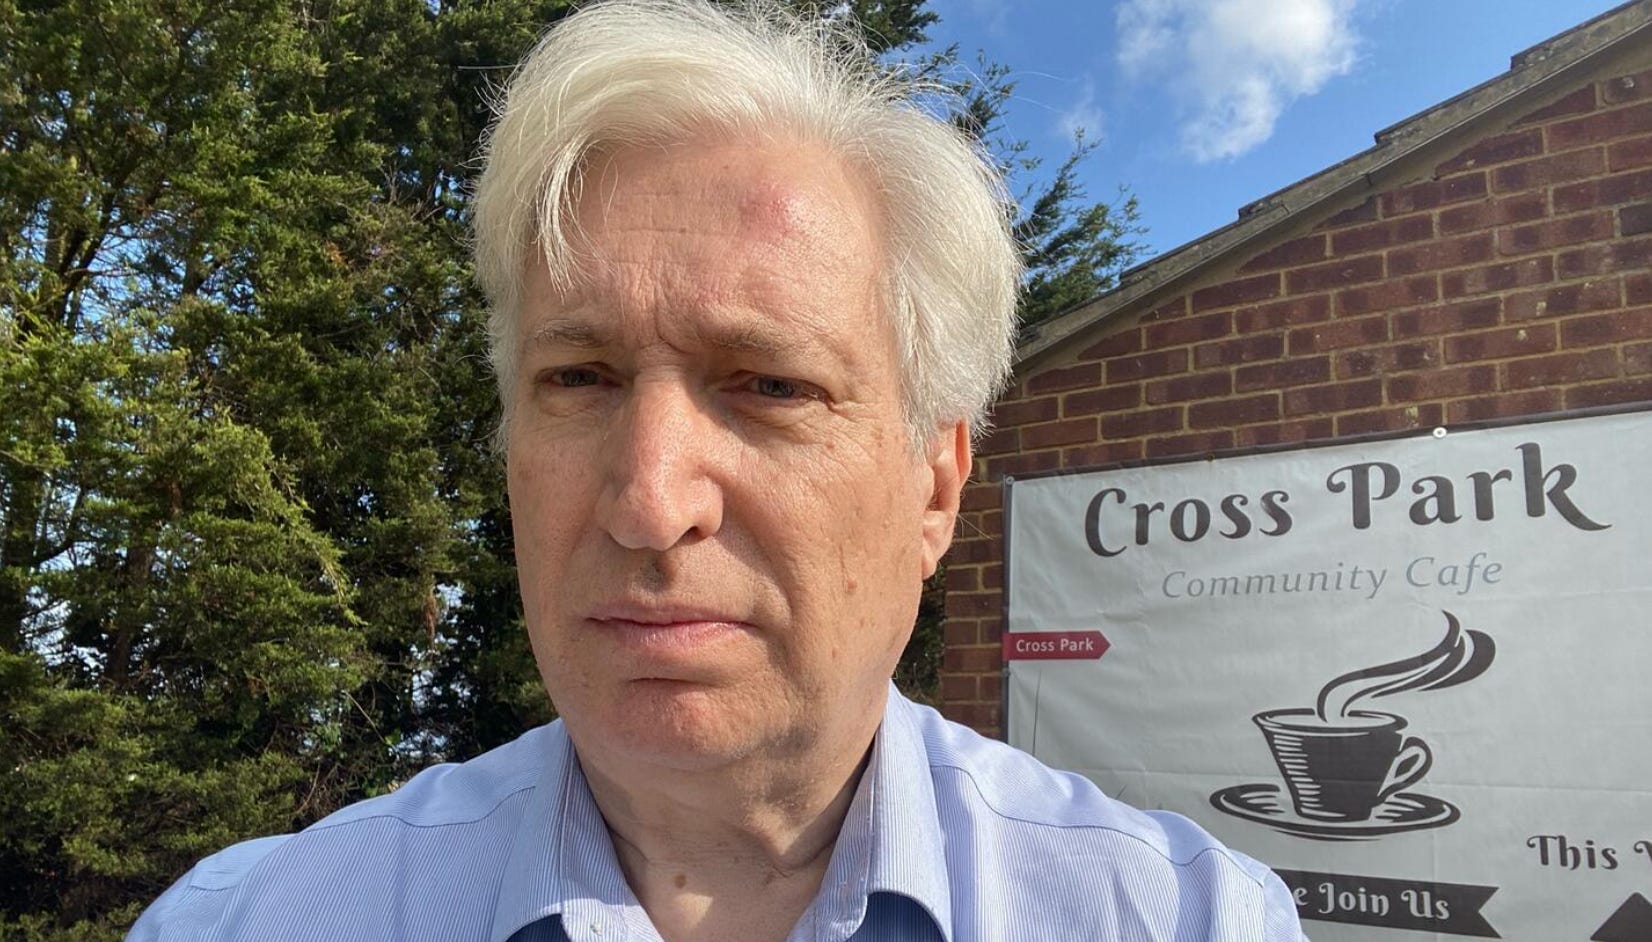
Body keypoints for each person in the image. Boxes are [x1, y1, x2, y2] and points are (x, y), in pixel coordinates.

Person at [129, 1, 1307, 939]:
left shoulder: (1182, 920)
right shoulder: (252, 920)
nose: (649, 503)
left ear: (933, 487)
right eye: (578, 378)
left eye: (771, 385)